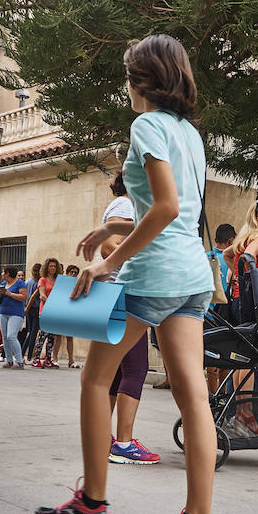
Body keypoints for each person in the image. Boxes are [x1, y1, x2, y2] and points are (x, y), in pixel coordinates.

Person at [34, 35, 220, 514]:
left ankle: (92, 504)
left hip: (153, 274)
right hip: (191, 275)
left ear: (143, 80)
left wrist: (108, 262)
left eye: (128, 75)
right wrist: (110, 236)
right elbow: (174, 213)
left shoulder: (146, 125)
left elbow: (163, 208)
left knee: (96, 379)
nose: (126, 86)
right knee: (195, 397)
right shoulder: (189, 133)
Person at [98, 171, 160, 464]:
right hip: (122, 296)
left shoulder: (122, 206)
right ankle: (123, 443)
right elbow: (108, 246)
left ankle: (103, 437)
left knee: (120, 371)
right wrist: (142, 262)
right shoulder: (125, 207)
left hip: (116, 296)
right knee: (137, 368)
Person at [223, 199, 258, 433]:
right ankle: (245, 415)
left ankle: (240, 413)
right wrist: (254, 281)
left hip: (239, 301)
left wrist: (236, 276)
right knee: (249, 358)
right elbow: (248, 256)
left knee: (241, 357)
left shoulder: (242, 237)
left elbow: (229, 254)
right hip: (251, 304)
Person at [205, 223, 236, 395]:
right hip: (223, 313)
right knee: (225, 355)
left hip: (205, 313)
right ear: (231, 240)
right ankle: (222, 395)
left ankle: (212, 393)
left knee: (211, 356)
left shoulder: (204, 257)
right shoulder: (230, 259)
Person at [29, 257, 59, 368]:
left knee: (52, 336)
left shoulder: (58, 280)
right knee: (43, 335)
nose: (53, 268)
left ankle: (48, 359)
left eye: (55, 266)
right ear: (47, 267)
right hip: (45, 310)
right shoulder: (43, 280)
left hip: (55, 311)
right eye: (51, 266)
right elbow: (42, 295)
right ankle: (36, 359)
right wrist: (52, 303)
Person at [0, 266, 27, 369]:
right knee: (5, 337)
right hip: (3, 312)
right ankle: (9, 360)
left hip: (16, 313)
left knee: (11, 336)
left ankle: (19, 361)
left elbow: (24, 297)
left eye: (3, 272)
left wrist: (9, 293)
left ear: (8, 274)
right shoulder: (3, 284)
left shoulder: (20, 283)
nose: (1, 274)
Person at [53, 264, 81, 367]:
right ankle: (54, 358)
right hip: (61, 311)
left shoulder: (78, 284)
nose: (73, 274)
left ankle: (71, 360)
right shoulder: (61, 283)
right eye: (72, 272)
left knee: (70, 337)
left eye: (75, 273)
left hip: (71, 312)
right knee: (58, 336)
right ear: (67, 273)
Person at [22, 263, 42, 363]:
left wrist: (26, 308)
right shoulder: (38, 283)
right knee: (33, 333)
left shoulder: (27, 281)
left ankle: (23, 353)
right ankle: (29, 355)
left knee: (31, 332)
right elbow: (33, 297)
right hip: (35, 308)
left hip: (28, 308)